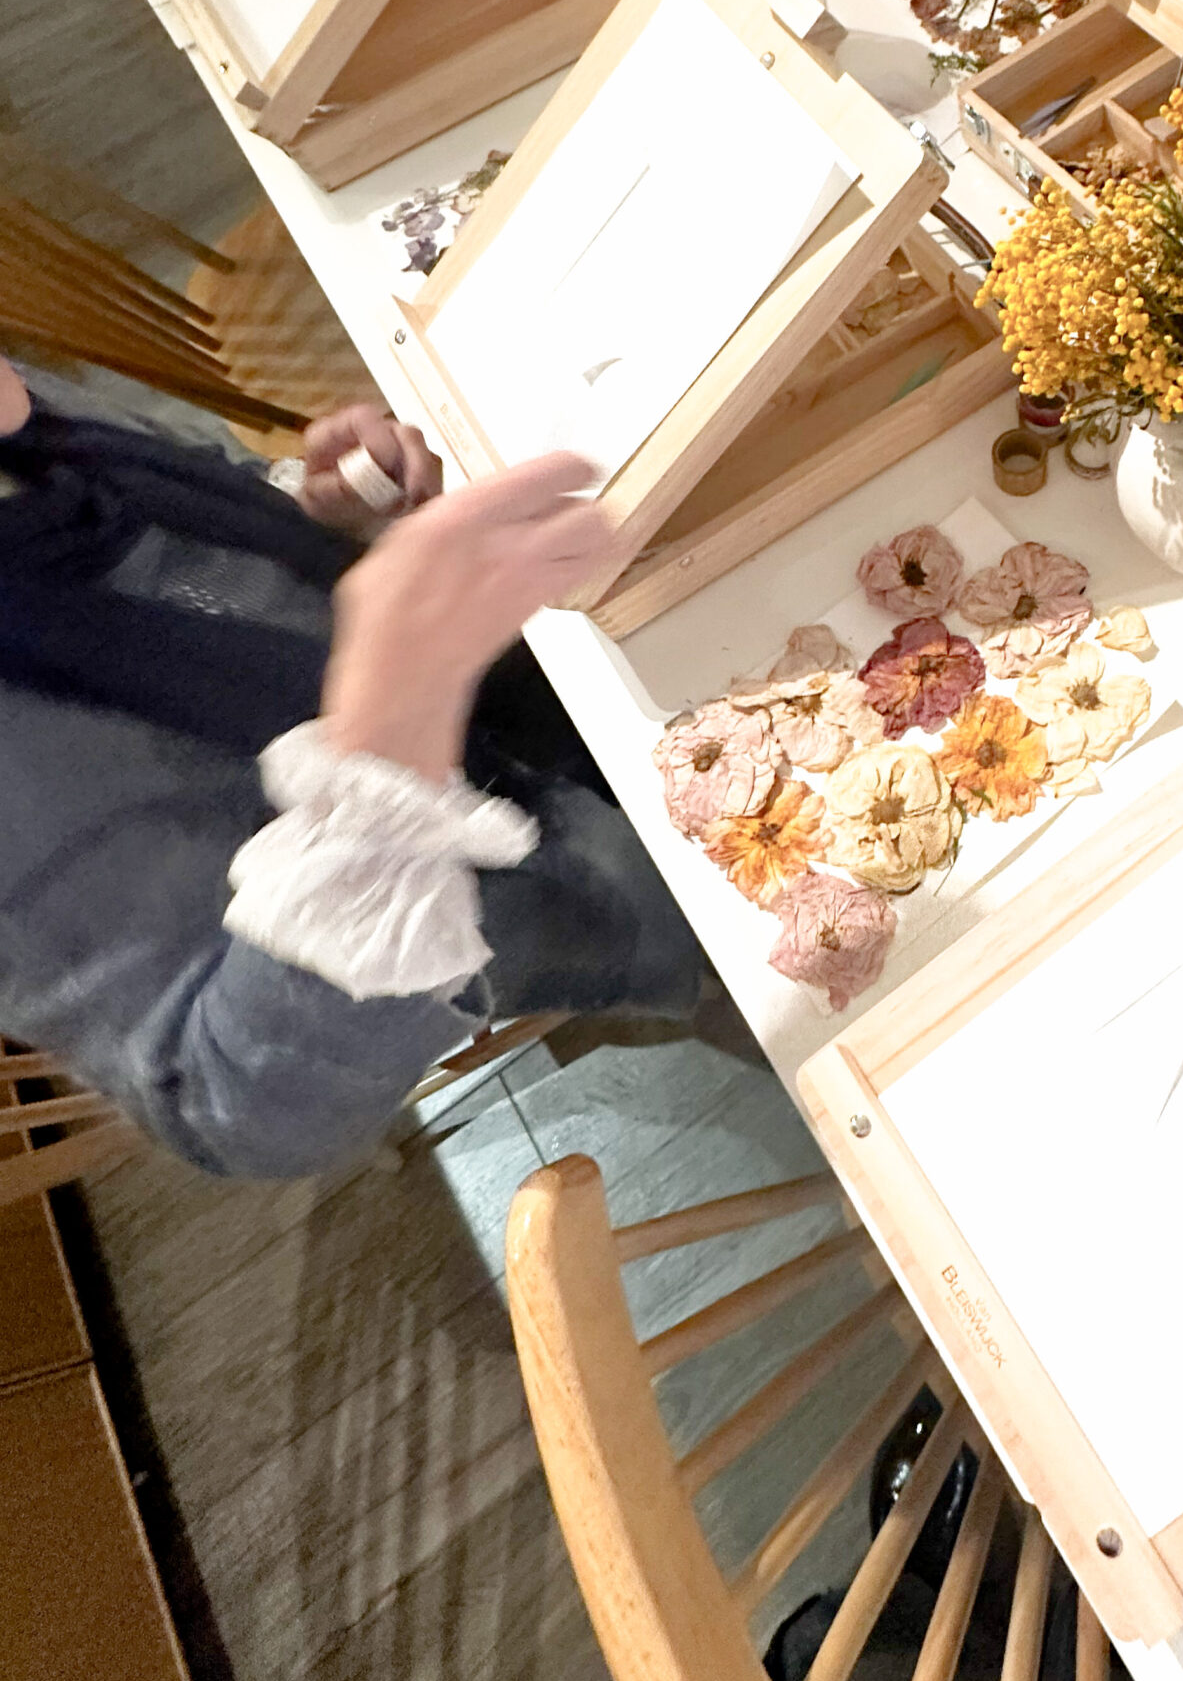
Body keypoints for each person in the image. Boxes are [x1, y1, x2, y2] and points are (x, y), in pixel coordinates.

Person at [0, 359, 704, 1178]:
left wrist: (326, 513)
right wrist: (382, 755)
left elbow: (195, 524)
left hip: (559, 666)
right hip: (561, 881)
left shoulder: (23, 415)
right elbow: (237, 1111)